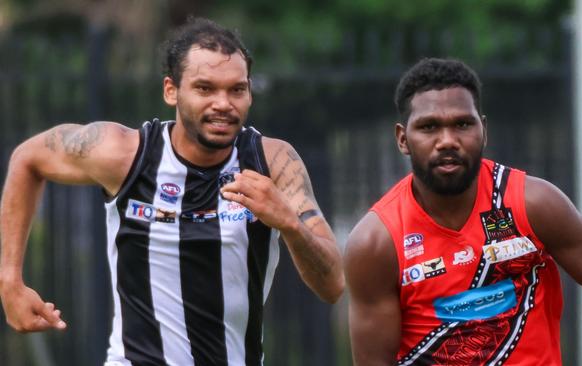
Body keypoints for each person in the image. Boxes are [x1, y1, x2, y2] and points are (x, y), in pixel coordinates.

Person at [0, 17, 344, 365]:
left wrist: (289, 224)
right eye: (205, 88)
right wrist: (9, 281)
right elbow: (27, 159)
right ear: (171, 90)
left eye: (236, 89)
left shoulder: (272, 160)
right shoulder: (124, 154)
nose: (223, 103)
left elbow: (333, 286)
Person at [344, 58, 582, 365]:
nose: (447, 141)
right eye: (429, 127)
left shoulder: (533, 204)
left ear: (483, 130)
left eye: (462, 124)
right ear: (403, 139)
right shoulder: (377, 243)